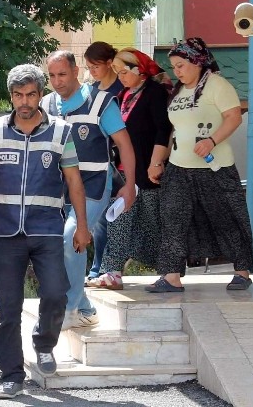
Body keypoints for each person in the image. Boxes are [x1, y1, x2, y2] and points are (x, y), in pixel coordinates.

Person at [0, 64, 90, 400]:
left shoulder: (61, 132)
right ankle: (11, 376)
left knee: (56, 292)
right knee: (8, 307)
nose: (24, 101)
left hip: (47, 229)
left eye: (30, 94)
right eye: (17, 95)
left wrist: (82, 225)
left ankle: (44, 343)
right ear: (10, 96)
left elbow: (74, 181)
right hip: (4, 231)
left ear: (41, 95)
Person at [147, 37, 253, 293]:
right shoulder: (179, 92)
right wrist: (157, 161)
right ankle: (171, 276)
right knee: (173, 219)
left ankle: (242, 271)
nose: (177, 71)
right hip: (178, 167)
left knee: (225, 217)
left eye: (181, 65)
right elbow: (172, 129)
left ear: (197, 61)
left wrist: (212, 140)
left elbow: (234, 117)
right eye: (174, 67)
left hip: (214, 166)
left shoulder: (217, 85)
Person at [41, 50, 136, 330]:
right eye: (52, 76)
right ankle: (84, 307)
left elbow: (125, 146)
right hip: (58, 191)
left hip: (95, 185)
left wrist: (129, 186)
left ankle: (69, 310)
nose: (57, 81)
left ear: (76, 72)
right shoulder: (46, 105)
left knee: (72, 237)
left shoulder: (101, 102)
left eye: (62, 74)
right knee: (63, 245)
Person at [87, 48, 172, 290]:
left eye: (124, 71)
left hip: (147, 171)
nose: (121, 77)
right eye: (117, 72)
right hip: (123, 172)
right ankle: (111, 272)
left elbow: (162, 129)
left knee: (153, 224)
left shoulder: (153, 93)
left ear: (139, 70)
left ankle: (169, 272)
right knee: (119, 219)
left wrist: (156, 164)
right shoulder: (124, 94)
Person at [82, 41, 124, 283]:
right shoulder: (90, 91)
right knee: (99, 220)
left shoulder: (120, 88)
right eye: (89, 67)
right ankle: (97, 267)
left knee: (113, 218)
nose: (93, 71)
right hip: (97, 162)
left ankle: (109, 267)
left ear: (110, 64)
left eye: (96, 66)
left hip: (120, 162)